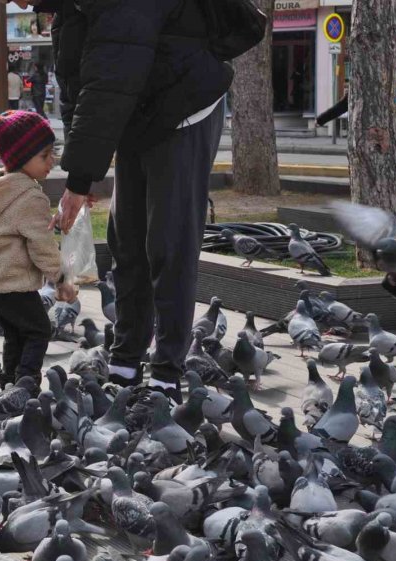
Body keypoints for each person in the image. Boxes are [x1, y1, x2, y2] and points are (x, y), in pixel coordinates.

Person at [13, 0, 232, 397]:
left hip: (183, 105)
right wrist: (83, 174)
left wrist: (80, 181)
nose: (15, 4)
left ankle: (166, 372)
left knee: (168, 241)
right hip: (137, 109)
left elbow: (108, 84)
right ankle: (126, 361)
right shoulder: (69, 8)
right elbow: (78, 87)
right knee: (126, 239)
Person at [0, 110, 77, 388]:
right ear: (20, 157)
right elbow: (42, 246)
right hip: (14, 285)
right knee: (39, 330)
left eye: (53, 153)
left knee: (15, 335)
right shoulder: (29, 197)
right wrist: (61, 279)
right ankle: (26, 387)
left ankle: (9, 384)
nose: (51, 161)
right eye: (44, 155)